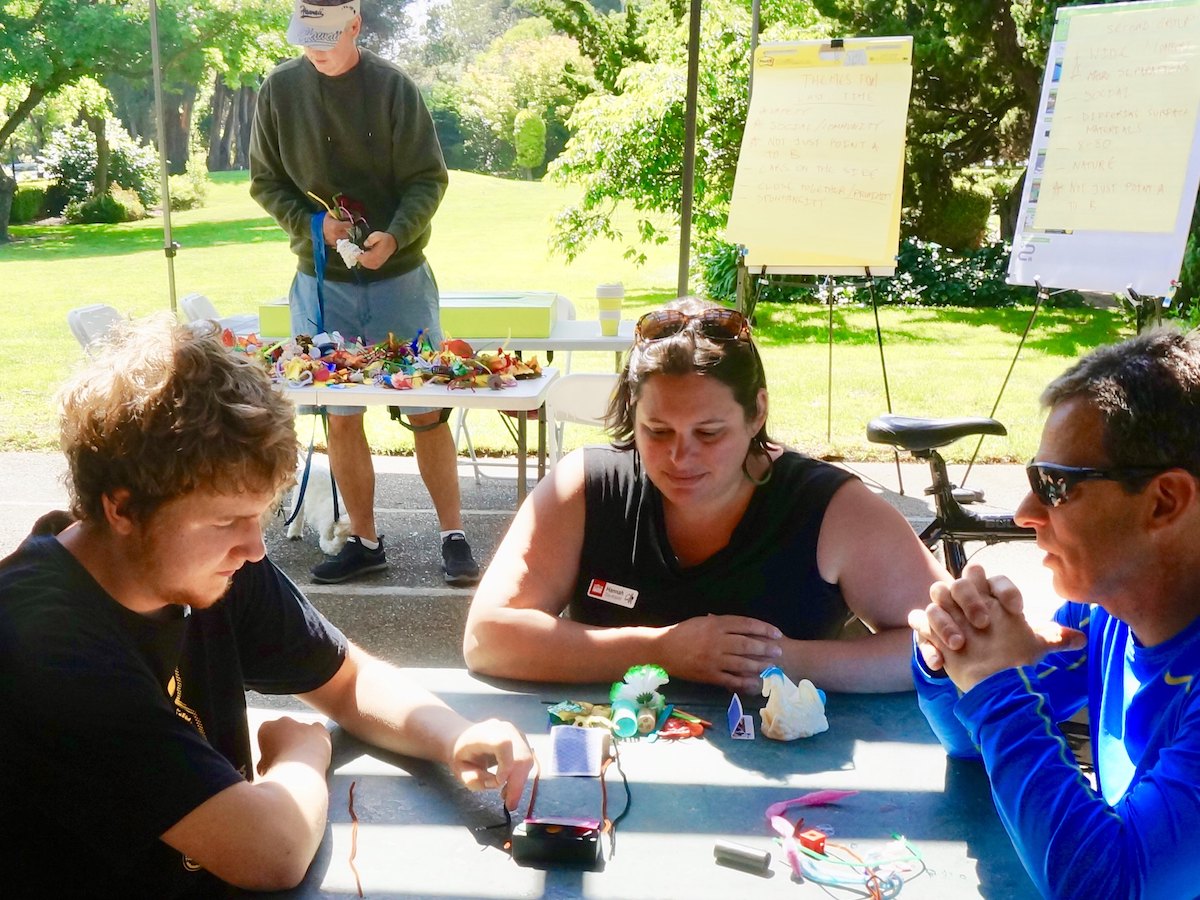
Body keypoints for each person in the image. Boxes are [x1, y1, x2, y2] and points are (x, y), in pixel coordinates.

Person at [0, 317, 532, 897]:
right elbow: (268, 851)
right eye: (227, 519)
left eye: (260, 515)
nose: (255, 547)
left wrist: (454, 735)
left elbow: (349, 681)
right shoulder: (39, 640)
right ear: (123, 509)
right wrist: (303, 754)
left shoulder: (204, 568)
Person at [463, 297, 948, 693]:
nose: (680, 457)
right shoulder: (587, 488)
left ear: (756, 413)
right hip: (611, 766)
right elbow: (488, 637)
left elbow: (945, 643)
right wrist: (661, 651)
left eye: (710, 433)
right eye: (656, 431)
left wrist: (779, 660)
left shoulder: (832, 509)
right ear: (632, 413)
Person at [909, 328, 1200, 899]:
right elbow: (966, 740)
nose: (1023, 513)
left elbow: (1110, 889)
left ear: (1165, 501)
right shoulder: (1108, 619)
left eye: (1055, 485)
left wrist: (995, 687)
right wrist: (954, 652)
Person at [249, 0, 480, 585]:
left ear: (356, 25)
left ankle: (453, 535)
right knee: (342, 417)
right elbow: (265, 181)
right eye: (307, 37)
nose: (315, 49)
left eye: (326, 37)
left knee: (428, 408)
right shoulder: (278, 90)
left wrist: (395, 235)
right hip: (322, 283)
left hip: (399, 280)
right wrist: (310, 224)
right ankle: (366, 540)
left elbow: (428, 178)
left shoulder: (393, 88)